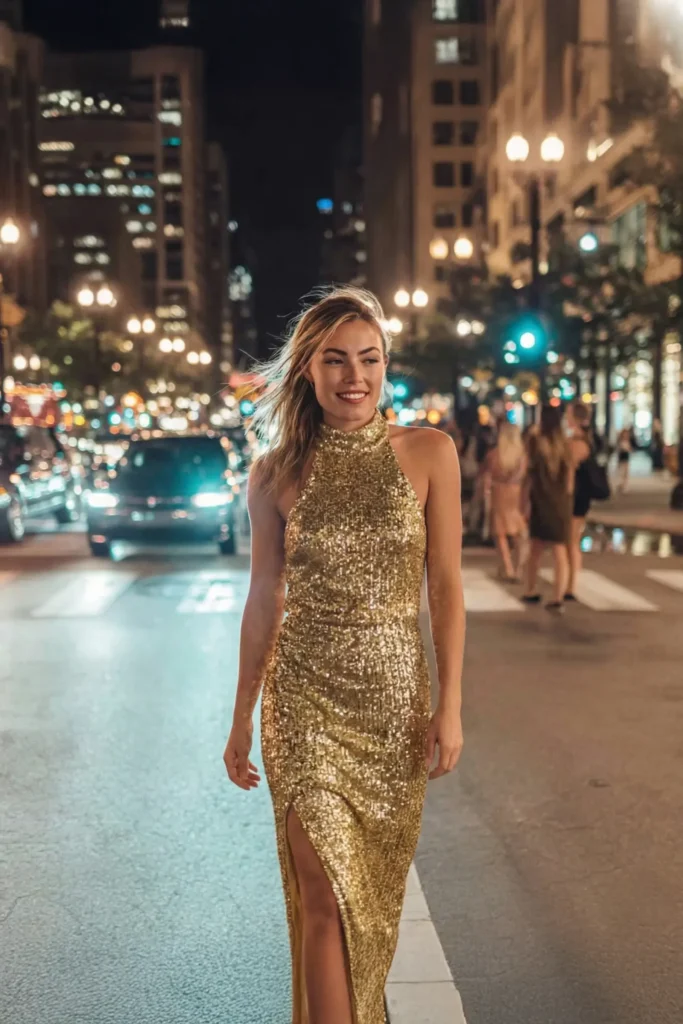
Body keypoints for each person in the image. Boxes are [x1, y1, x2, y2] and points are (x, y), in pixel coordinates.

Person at [222, 287, 465, 1024]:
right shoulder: (273, 471)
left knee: (370, 903)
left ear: (385, 366)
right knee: (321, 891)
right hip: (302, 701)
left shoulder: (428, 452)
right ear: (307, 371)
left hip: (392, 701)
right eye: (334, 360)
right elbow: (264, 595)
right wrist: (241, 716)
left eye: (368, 358)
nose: (353, 376)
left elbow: (447, 588)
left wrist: (448, 706)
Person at [522, 404, 573, 612]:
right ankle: (558, 594)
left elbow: (529, 476)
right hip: (560, 502)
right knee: (560, 550)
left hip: (541, 501)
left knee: (536, 548)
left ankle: (531, 589)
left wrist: (523, 502)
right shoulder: (565, 446)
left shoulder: (535, 443)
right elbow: (570, 480)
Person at [482, 419, 528, 581]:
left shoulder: (494, 454)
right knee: (518, 532)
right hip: (515, 492)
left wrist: (486, 493)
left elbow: (487, 477)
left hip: (498, 491)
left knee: (500, 532)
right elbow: (521, 475)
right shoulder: (521, 455)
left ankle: (507, 567)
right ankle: (518, 567)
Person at [565, 402, 594, 601]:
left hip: (574, 497)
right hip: (580, 496)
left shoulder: (577, 441)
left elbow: (570, 472)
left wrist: (565, 494)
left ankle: (571, 584)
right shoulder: (585, 438)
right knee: (572, 540)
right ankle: (571, 581)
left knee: (571, 541)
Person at [615, 426, 632, 493]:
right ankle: (621, 485)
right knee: (622, 473)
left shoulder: (627, 441)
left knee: (626, 473)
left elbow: (629, 449)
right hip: (622, 459)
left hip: (626, 459)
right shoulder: (620, 441)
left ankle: (624, 485)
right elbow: (620, 450)